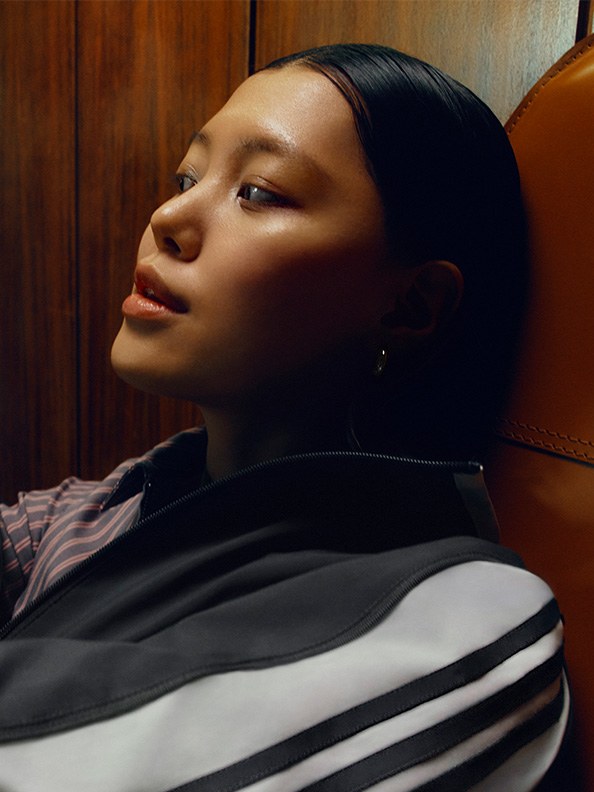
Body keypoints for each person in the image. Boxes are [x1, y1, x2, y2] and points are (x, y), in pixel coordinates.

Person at [0, 44, 571, 790]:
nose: (168, 216)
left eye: (260, 192)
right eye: (187, 176)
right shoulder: (92, 514)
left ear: (410, 304)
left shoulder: (461, 620)